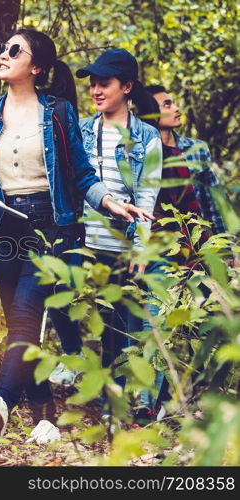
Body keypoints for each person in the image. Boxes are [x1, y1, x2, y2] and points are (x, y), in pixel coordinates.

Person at [0, 31, 152, 443]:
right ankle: (44, 416)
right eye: (2, 49)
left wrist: (109, 203)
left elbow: (81, 173)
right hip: (2, 226)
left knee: (28, 317)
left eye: (15, 50)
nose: (3, 55)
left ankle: (2, 397)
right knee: (18, 323)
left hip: (51, 227)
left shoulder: (59, 112)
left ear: (37, 67)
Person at [47, 48, 163, 423]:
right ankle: (73, 352)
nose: (96, 91)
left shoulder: (147, 138)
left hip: (121, 248)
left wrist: (140, 251)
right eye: (93, 84)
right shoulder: (80, 130)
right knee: (54, 286)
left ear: (126, 87)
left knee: (116, 331)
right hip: (82, 240)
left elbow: (146, 198)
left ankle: (115, 412)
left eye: (105, 84)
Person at [134, 84, 230, 423]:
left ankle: (186, 398)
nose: (175, 108)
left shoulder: (195, 149)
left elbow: (212, 202)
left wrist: (226, 247)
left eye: (174, 102)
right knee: (157, 321)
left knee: (209, 325)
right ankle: (151, 405)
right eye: (167, 103)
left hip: (200, 248)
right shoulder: (142, 148)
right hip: (161, 249)